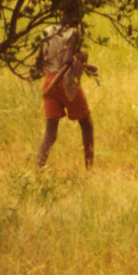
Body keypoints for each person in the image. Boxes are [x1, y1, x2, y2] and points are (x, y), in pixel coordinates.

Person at [35, 16, 96, 169]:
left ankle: (38, 168)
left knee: (50, 133)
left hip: (49, 81)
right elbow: (68, 60)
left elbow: (38, 62)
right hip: (66, 83)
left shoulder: (47, 32)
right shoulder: (74, 33)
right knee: (87, 125)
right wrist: (79, 56)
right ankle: (89, 169)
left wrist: (84, 65)